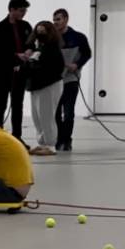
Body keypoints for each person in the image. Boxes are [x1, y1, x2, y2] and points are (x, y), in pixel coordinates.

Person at [0, 0, 32, 136]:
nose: (24, 13)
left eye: (25, 11)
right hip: (3, 72)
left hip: (21, 72)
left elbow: (32, 43)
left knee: (18, 105)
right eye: (21, 10)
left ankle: (17, 137)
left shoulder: (26, 26)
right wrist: (17, 56)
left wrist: (29, 51)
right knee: (1, 104)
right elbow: (0, 52)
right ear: (12, 9)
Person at [53, 8, 92, 152]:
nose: (56, 22)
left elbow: (87, 54)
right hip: (54, 81)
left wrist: (77, 64)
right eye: (54, 19)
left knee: (68, 113)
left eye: (58, 19)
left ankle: (67, 140)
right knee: (56, 113)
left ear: (66, 19)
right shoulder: (51, 38)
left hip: (71, 80)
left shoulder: (78, 37)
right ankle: (58, 139)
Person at [25, 21, 66, 156]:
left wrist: (32, 66)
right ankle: (42, 143)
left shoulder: (53, 49)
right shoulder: (39, 48)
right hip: (36, 86)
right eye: (38, 31)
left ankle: (50, 145)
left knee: (46, 116)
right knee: (37, 116)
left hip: (49, 86)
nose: (40, 34)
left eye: (43, 31)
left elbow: (53, 68)